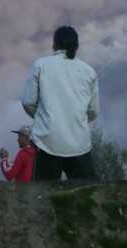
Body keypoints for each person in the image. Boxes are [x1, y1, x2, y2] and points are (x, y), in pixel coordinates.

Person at [21, 25, 99, 181]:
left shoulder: (41, 66)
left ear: (54, 45)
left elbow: (28, 102)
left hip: (47, 142)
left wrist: (45, 116)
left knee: (44, 197)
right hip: (79, 143)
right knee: (85, 194)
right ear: (77, 46)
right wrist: (77, 120)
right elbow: (93, 110)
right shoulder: (88, 71)